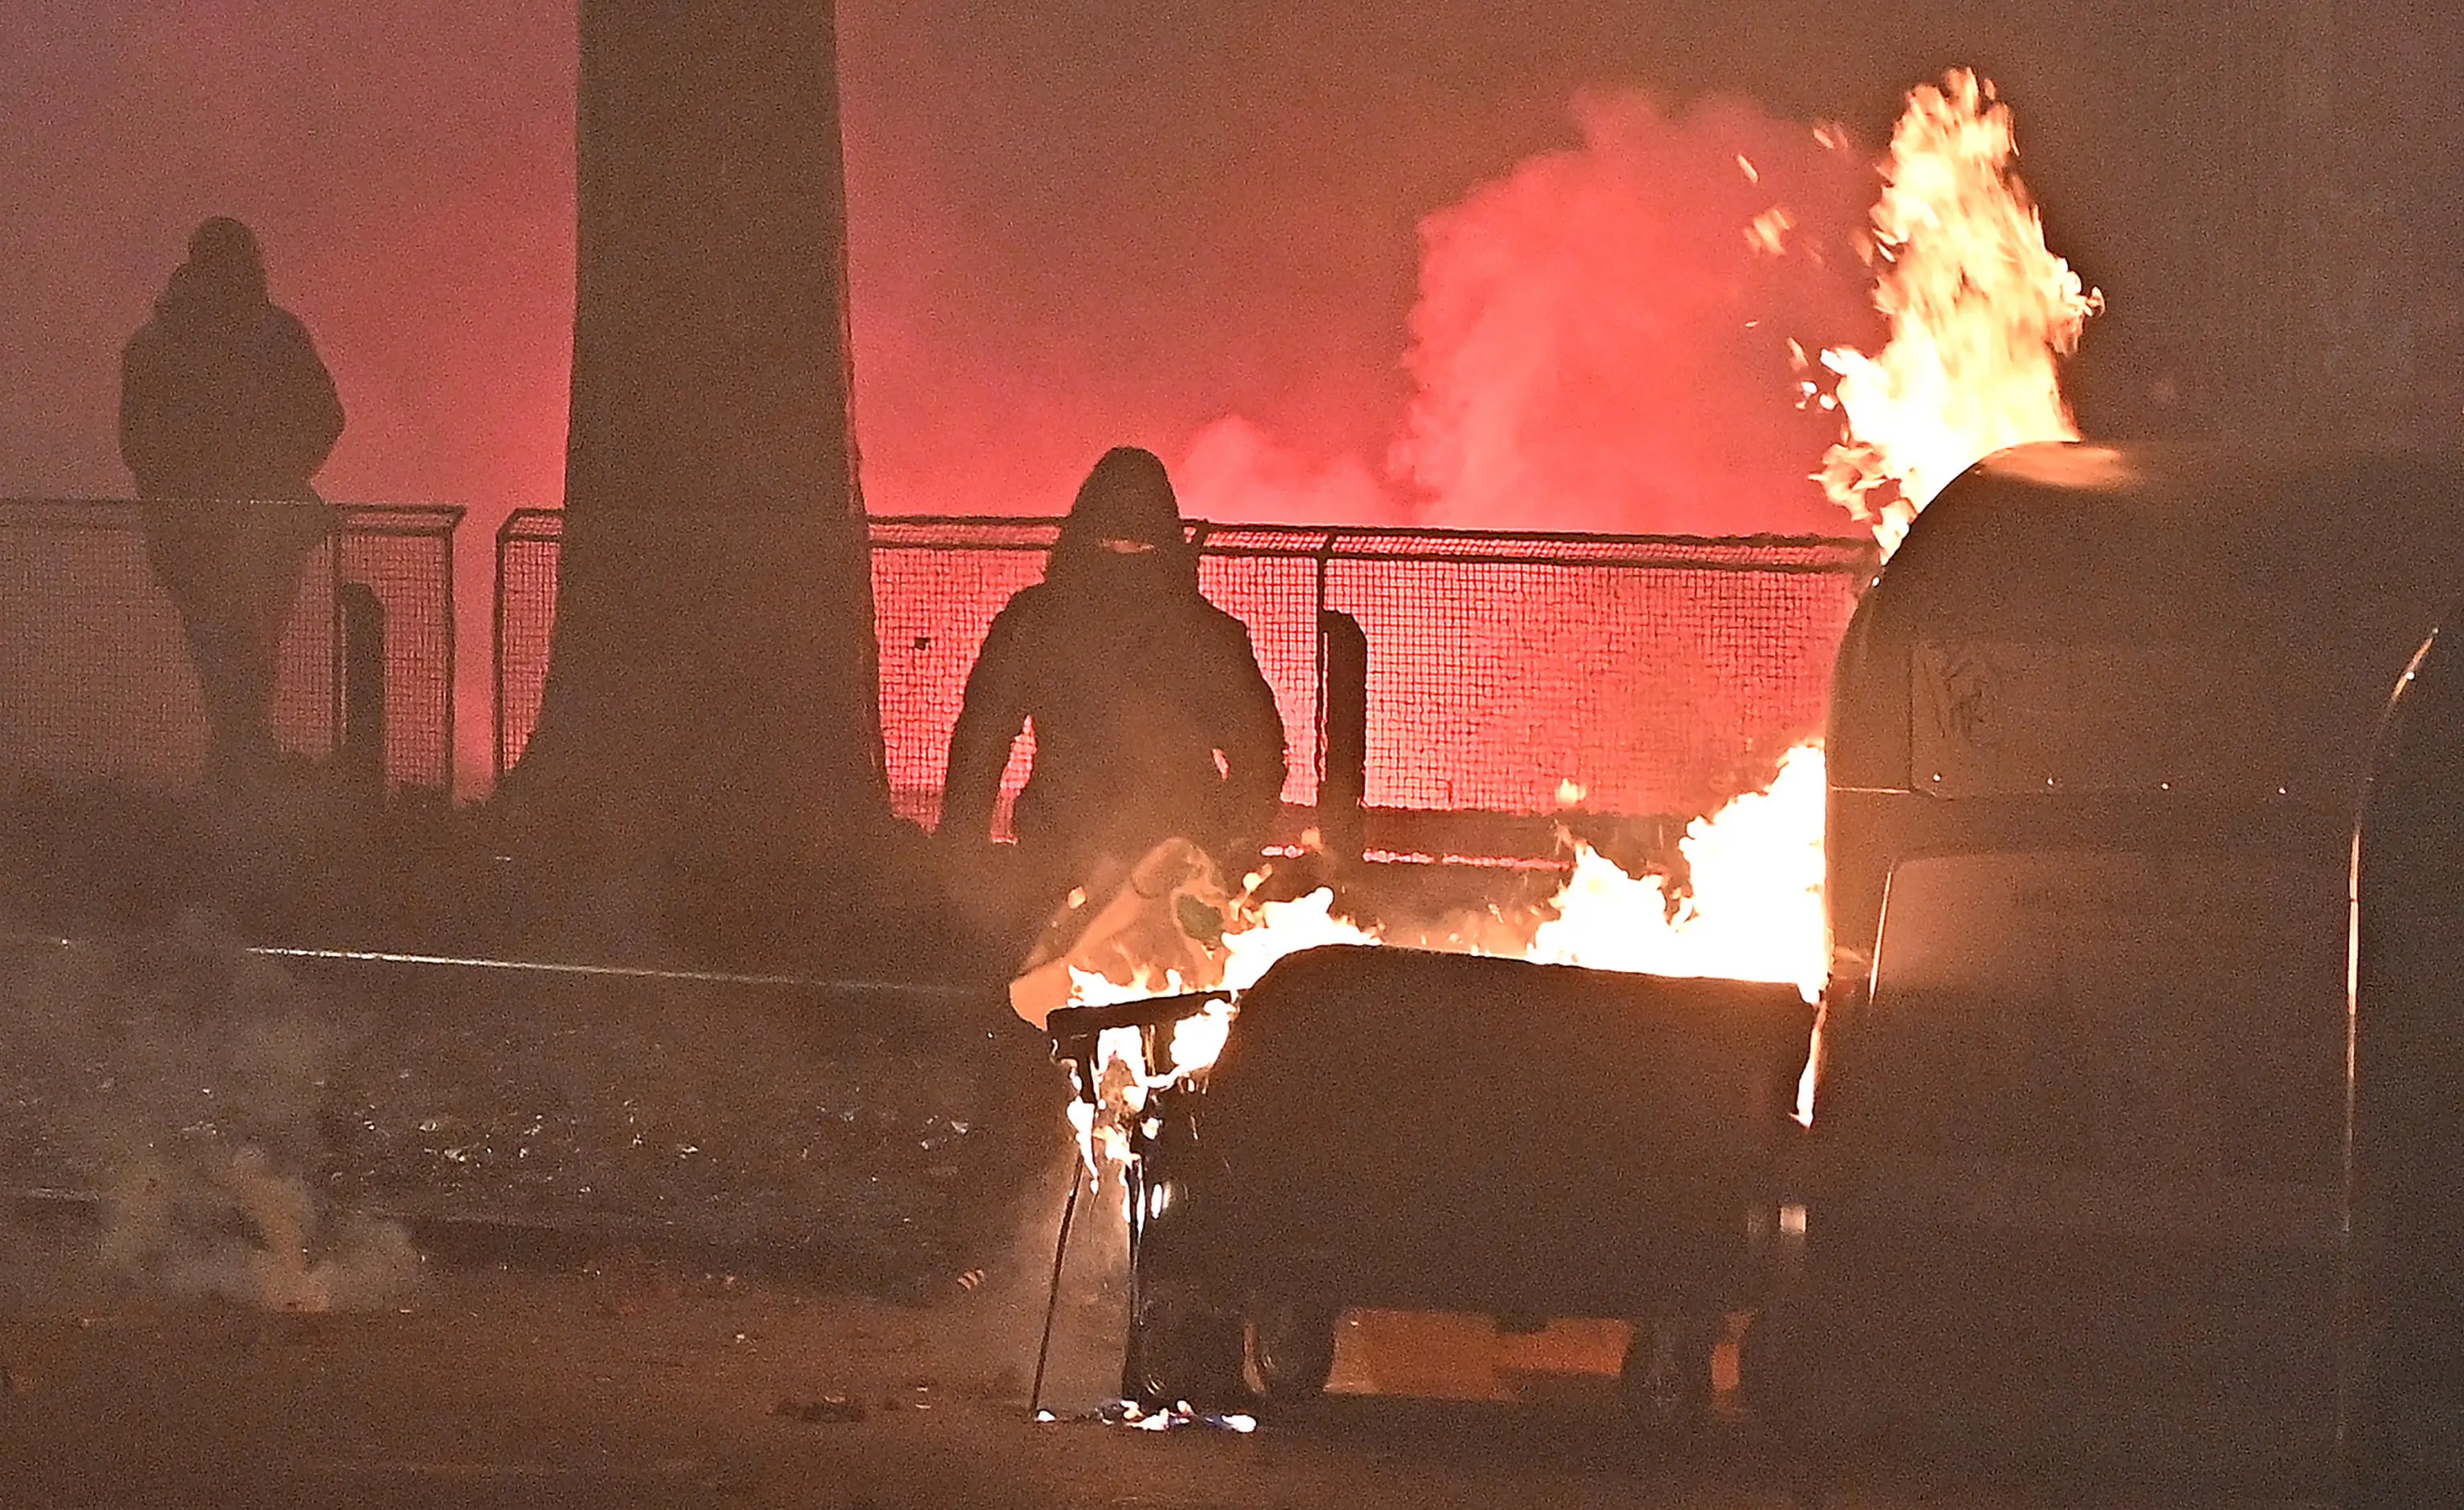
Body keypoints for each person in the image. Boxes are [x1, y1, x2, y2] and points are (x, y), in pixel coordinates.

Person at [940, 447, 1287, 937]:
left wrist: (960, 851)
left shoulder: (1034, 622)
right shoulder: (1207, 634)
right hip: (1100, 855)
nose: (1124, 558)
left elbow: (981, 741)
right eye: (1113, 543)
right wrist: (1226, 851)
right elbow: (1262, 756)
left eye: (1136, 547)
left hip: (1094, 856)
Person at [120, 217, 344, 784]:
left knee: (222, 646)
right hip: (261, 524)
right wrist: (279, 476)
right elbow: (324, 417)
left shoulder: (154, 343)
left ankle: (236, 764)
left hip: (185, 529)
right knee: (251, 648)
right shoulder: (277, 336)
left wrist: (186, 487)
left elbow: (139, 443)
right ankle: (242, 767)